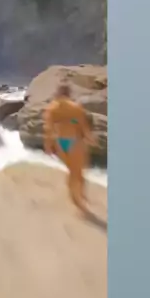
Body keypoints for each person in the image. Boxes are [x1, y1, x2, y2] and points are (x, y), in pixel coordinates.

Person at [43, 80, 94, 212]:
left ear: (57, 93)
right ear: (69, 93)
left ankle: (76, 197)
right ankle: (78, 198)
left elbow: (48, 129)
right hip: (74, 141)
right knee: (78, 172)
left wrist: (48, 146)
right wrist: (90, 139)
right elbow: (84, 127)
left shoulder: (51, 108)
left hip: (61, 142)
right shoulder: (75, 107)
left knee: (72, 171)